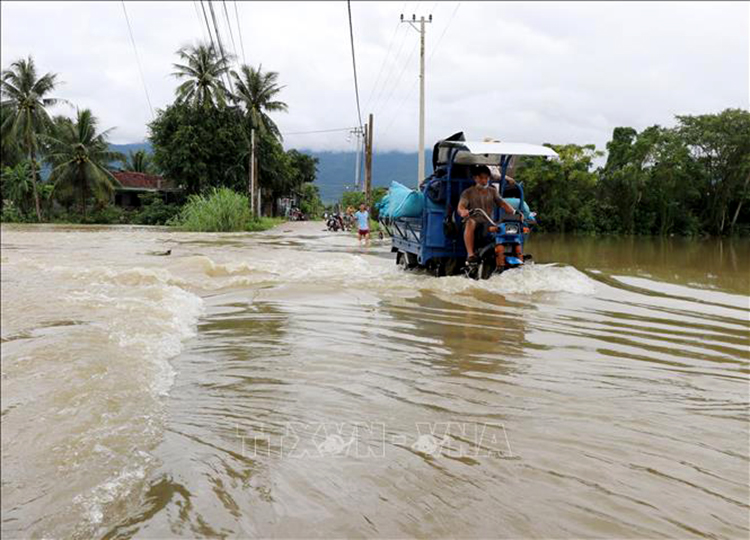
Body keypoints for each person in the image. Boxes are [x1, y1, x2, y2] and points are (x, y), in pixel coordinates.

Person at [457, 164, 517, 263]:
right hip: (474, 221)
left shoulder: (492, 191)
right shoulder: (468, 192)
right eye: (481, 178)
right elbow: (461, 206)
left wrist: (515, 213)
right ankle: (470, 254)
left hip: (488, 221)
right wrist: (463, 211)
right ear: (475, 178)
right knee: (470, 222)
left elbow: (502, 204)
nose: (484, 181)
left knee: (506, 227)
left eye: (486, 178)